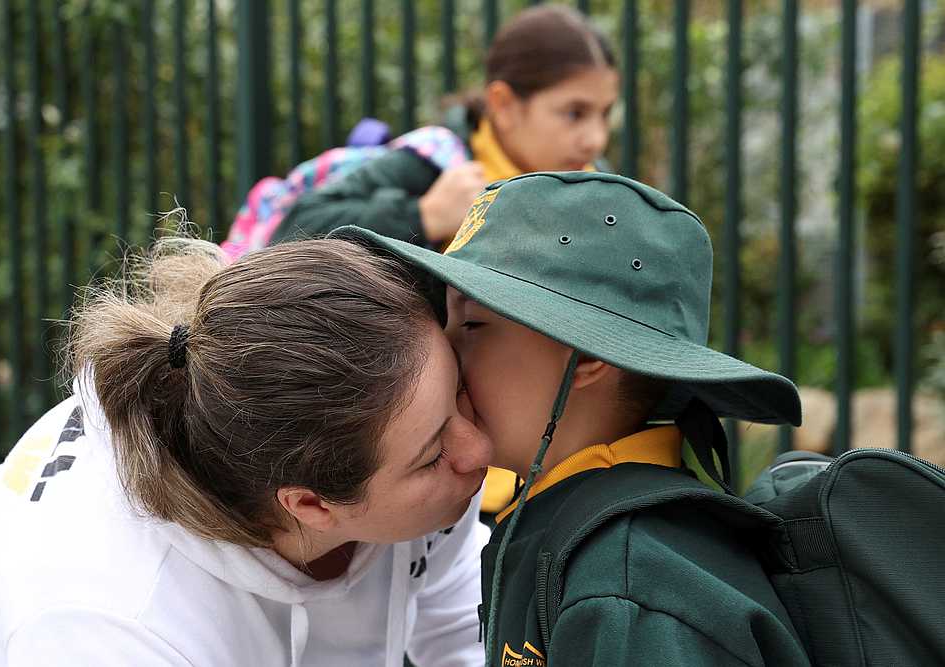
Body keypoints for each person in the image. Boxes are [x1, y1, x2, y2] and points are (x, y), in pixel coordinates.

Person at [333, 171, 812, 665]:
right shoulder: (567, 519)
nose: (443, 353)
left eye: (473, 324)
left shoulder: (629, 588)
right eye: (445, 322)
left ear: (584, 357)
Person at [0, 236, 492, 666]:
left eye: (460, 398)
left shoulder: (382, 438)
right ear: (311, 506)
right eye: (433, 455)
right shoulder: (115, 620)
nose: (478, 449)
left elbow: (470, 631)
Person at [274, 4, 620, 516]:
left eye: (605, 113)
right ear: (503, 104)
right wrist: (423, 212)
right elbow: (296, 230)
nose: (595, 137)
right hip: (429, 455)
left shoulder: (595, 185)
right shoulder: (435, 165)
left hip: (547, 468)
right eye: (574, 113)